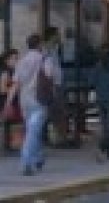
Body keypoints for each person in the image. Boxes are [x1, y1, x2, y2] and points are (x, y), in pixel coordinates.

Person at [2, 34, 52, 176]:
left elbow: (16, 84)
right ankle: (26, 162)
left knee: (32, 130)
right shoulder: (45, 59)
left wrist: (8, 102)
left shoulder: (21, 61)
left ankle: (38, 157)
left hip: (25, 101)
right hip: (39, 100)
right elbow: (49, 76)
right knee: (33, 132)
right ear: (40, 44)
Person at [43, 26, 68, 147]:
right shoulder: (47, 50)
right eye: (57, 34)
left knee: (58, 111)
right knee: (57, 111)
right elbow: (48, 70)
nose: (59, 37)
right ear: (52, 36)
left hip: (57, 83)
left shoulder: (55, 49)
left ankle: (59, 137)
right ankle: (59, 138)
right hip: (54, 84)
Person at [1, 49, 19, 152]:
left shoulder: (10, 71)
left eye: (17, 58)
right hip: (4, 101)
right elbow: (3, 89)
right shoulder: (5, 72)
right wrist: (15, 89)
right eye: (14, 58)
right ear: (7, 60)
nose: (16, 61)